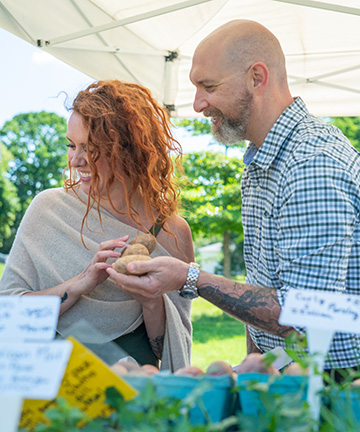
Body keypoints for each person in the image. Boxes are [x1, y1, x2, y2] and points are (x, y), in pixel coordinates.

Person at [106, 20, 360, 378]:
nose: (197, 105)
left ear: (257, 78)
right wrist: (252, 367)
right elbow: (264, 287)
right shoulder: (262, 160)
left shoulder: (311, 163)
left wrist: (188, 277)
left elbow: (309, 318)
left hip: (337, 385)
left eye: (208, 86)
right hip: (287, 375)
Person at [0, 80, 194, 372]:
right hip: (51, 380)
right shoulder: (48, 209)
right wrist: (80, 284)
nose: (76, 160)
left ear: (130, 149)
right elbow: (9, 315)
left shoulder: (172, 232)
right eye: (71, 145)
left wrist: (151, 301)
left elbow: (168, 348)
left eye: (91, 148)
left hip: (134, 387)